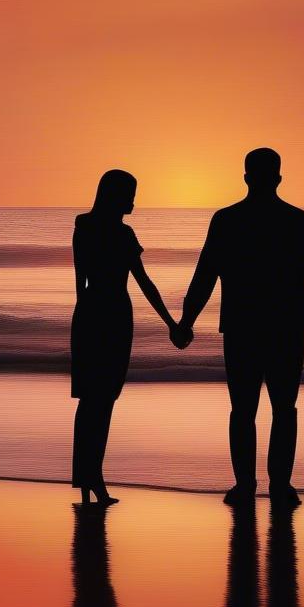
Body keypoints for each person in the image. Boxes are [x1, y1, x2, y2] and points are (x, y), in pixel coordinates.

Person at [177, 148, 304, 507]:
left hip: (242, 326)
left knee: (243, 408)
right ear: (278, 178)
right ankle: (280, 485)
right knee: (284, 407)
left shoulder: (227, 220)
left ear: (246, 177)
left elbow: (204, 276)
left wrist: (186, 321)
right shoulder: (296, 220)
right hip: (285, 326)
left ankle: (245, 485)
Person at [71, 170, 179, 505]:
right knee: (102, 402)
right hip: (114, 314)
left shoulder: (82, 227)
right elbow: (144, 282)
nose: (134, 201)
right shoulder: (122, 234)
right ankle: (95, 480)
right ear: (115, 196)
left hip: (88, 312)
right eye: (130, 194)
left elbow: (79, 282)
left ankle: (87, 480)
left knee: (91, 401)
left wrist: (83, 318)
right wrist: (172, 323)